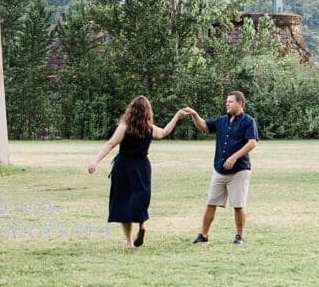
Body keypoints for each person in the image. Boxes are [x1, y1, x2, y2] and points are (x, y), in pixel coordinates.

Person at [87, 96, 187, 249]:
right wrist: (177, 115)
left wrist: (95, 160)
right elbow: (165, 132)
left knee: (123, 201)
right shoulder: (149, 128)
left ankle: (128, 242)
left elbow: (111, 143)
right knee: (141, 197)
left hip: (125, 166)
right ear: (148, 111)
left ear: (131, 110)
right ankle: (142, 225)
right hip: (142, 167)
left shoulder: (125, 126)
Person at [184, 91, 259, 245]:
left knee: (238, 205)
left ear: (240, 103)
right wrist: (195, 115)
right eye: (226, 101)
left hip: (239, 170)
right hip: (219, 169)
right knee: (211, 202)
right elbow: (204, 126)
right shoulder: (221, 121)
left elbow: (252, 142)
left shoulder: (248, 121)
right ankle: (203, 235)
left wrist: (234, 157)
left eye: (230, 101)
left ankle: (239, 236)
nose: (227, 104)